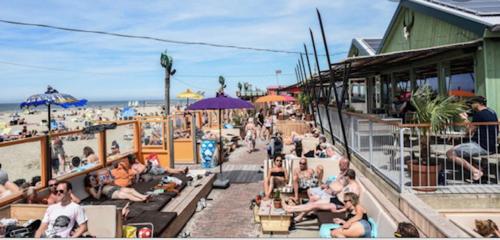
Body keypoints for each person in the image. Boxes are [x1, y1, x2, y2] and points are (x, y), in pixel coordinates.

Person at [446, 96, 499, 181]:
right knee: (461, 151)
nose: (471, 105)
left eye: (472, 103)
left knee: (450, 153)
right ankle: (479, 169)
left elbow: (469, 131)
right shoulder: (492, 112)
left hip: (481, 146)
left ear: (479, 103)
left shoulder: (479, 114)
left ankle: (475, 172)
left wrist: (465, 119)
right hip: (491, 146)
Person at [284, 169, 361, 222]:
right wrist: (335, 192)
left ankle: (291, 209)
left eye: (345, 177)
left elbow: (353, 203)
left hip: (338, 204)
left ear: (348, 177)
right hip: (335, 199)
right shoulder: (350, 184)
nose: (344, 178)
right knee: (313, 202)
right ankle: (293, 210)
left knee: (314, 205)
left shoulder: (355, 187)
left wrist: (341, 209)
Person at [84, 174, 149, 202]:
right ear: (89, 182)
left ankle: (143, 196)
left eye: (94, 179)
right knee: (128, 195)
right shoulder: (91, 188)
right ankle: (142, 200)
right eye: (92, 180)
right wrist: (100, 186)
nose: (94, 180)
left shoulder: (99, 183)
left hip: (115, 188)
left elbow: (112, 183)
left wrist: (108, 181)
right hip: (111, 193)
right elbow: (97, 197)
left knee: (131, 190)